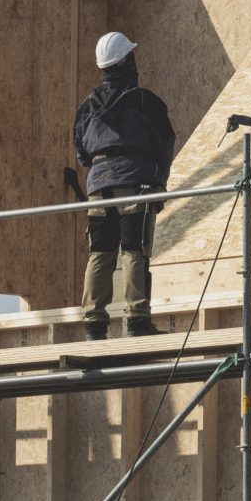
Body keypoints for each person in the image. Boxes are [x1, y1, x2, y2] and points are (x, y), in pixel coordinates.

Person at [74, 32, 176, 342]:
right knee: (134, 249)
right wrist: (158, 178)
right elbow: (165, 143)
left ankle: (93, 325)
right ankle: (137, 321)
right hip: (137, 181)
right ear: (128, 62)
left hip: (99, 186)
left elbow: (81, 154)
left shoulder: (86, 107)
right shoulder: (145, 102)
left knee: (100, 252)